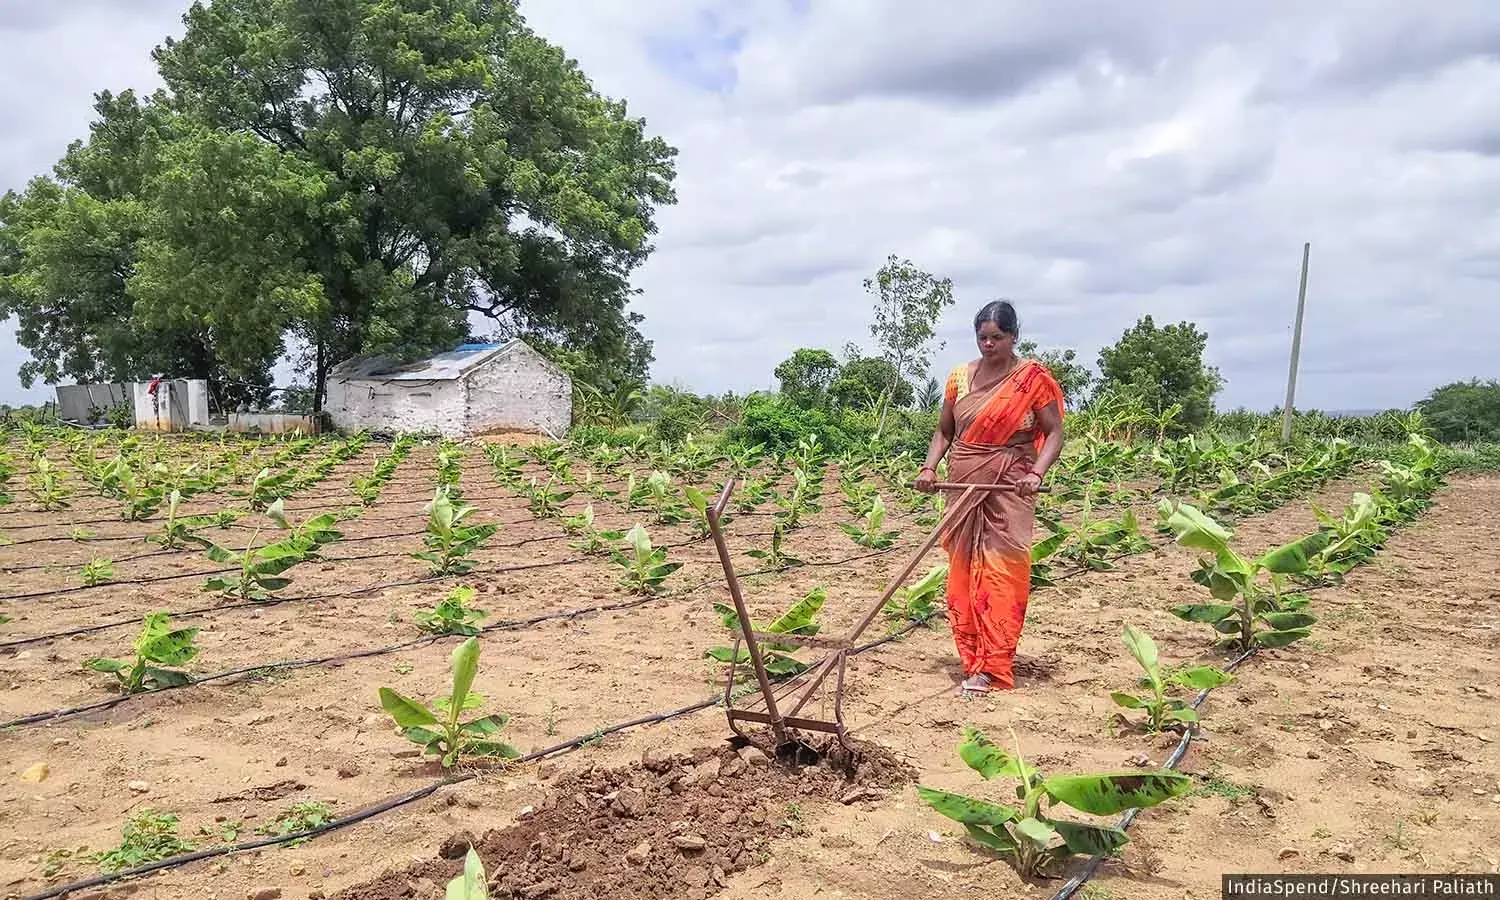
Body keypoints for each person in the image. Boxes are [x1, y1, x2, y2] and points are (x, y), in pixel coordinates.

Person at [914, 300, 1065, 695]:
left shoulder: (1032, 379)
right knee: (962, 572)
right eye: (982, 337)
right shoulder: (958, 378)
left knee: (1001, 573)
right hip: (963, 484)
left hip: (1010, 486)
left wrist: (1036, 473)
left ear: (1013, 336)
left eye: (996, 337)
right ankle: (972, 660)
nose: (988, 344)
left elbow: (1054, 432)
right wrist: (929, 468)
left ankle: (995, 666)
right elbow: (944, 432)